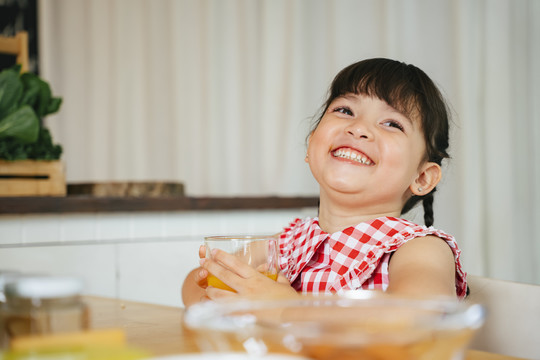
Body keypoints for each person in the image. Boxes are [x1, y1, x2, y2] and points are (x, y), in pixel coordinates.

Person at [181, 58, 467, 307]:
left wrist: (288, 310)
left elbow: (420, 319)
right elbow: (192, 290)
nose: (358, 128)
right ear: (310, 146)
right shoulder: (288, 245)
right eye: (345, 110)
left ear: (422, 177)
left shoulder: (418, 249)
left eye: (392, 123)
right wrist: (218, 282)